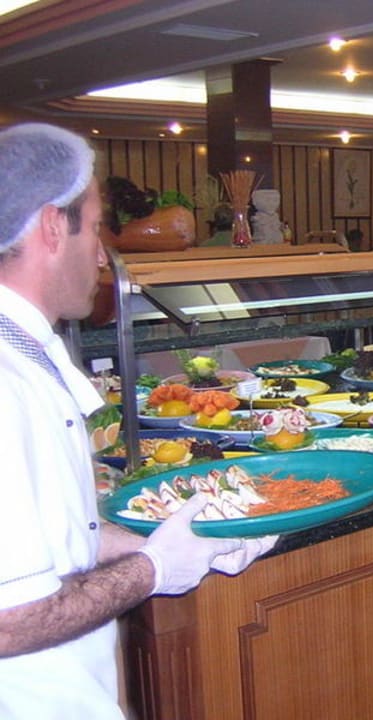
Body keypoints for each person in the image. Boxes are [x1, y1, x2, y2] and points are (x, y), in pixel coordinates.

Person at [0, 123, 277, 719]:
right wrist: (153, 569)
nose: (103, 255)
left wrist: (175, 542)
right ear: (52, 227)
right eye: (97, 226)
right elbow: (9, 620)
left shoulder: (24, 349)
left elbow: (61, 536)